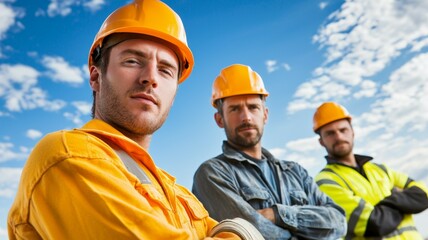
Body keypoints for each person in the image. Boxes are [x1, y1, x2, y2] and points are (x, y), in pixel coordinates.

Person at [7, 1, 263, 239]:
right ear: (96, 77)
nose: (150, 77)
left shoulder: (177, 193)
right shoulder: (68, 157)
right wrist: (239, 230)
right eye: (132, 61)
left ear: (173, 95)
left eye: (165, 70)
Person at [192, 64, 347, 239]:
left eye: (253, 107)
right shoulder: (212, 174)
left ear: (265, 114)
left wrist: (277, 214)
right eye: (234, 109)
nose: (246, 117)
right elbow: (250, 234)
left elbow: (339, 222)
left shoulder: (295, 172)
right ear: (219, 119)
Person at [313, 101, 428, 239]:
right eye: (330, 133)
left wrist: (385, 205)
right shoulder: (325, 182)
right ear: (321, 141)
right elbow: (374, 224)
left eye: (343, 130)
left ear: (352, 132)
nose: (339, 137)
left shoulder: (380, 169)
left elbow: (423, 195)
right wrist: (403, 201)